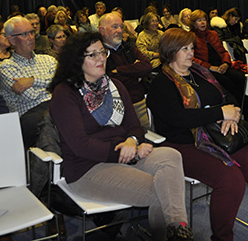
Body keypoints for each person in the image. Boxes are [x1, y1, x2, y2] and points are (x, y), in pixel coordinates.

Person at [147, 28, 248, 241]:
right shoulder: (161, 83)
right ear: (170, 51)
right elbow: (178, 119)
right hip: (183, 145)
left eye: (192, 47)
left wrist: (232, 114)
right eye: (185, 49)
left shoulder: (201, 73)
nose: (191, 53)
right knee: (231, 180)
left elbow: (229, 94)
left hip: (219, 135)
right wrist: (219, 112)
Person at [48, 32, 193, 241]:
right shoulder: (65, 93)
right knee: (163, 192)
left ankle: (178, 231)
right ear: (76, 60)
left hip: (123, 155)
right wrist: (126, 151)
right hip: (87, 168)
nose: (101, 59)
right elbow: (81, 145)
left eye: (102, 52)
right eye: (92, 55)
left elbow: (135, 126)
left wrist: (132, 141)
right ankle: (178, 233)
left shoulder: (115, 86)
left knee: (171, 156)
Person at [0, 17, 57, 148]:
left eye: (32, 32)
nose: (31, 37)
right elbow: (30, 96)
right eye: (24, 34)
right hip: (31, 119)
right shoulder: (7, 67)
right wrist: (50, 83)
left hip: (56, 109)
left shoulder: (48, 59)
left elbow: (61, 83)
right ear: (12, 39)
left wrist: (33, 81)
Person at [99, 13, 153, 129]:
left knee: (147, 136)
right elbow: (109, 81)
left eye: (121, 27)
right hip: (115, 107)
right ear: (102, 30)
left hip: (139, 102)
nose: (119, 30)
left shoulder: (128, 48)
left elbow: (147, 66)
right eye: (114, 27)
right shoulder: (98, 54)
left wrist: (118, 70)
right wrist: (136, 75)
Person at [190, 9, 246, 106]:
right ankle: (237, 106)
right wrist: (210, 67)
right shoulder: (190, 37)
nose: (203, 22)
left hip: (221, 66)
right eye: (199, 20)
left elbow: (223, 52)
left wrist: (225, 63)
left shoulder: (213, 34)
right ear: (194, 23)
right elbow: (192, 59)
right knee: (227, 82)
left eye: (204, 19)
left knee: (240, 78)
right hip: (206, 69)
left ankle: (243, 107)